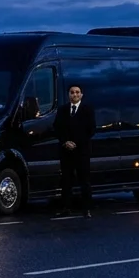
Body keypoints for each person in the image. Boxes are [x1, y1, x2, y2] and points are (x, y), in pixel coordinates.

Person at [54, 84, 96, 218]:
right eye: (72, 92)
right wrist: (65, 141)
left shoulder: (87, 110)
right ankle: (66, 208)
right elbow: (57, 128)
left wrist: (76, 143)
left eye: (77, 92)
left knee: (84, 181)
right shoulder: (62, 110)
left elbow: (91, 130)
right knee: (66, 181)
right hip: (66, 152)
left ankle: (86, 209)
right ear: (68, 95)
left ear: (81, 95)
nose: (75, 95)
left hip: (82, 152)